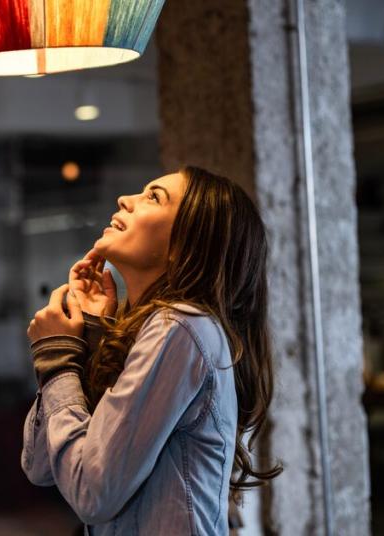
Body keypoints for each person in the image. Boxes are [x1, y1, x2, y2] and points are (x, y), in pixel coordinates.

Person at [21, 166, 283, 535]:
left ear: (186, 246)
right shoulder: (154, 330)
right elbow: (41, 466)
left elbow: (92, 493)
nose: (125, 200)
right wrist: (89, 340)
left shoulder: (180, 326)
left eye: (153, 197)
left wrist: (58, 360)